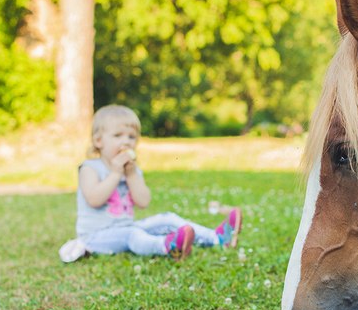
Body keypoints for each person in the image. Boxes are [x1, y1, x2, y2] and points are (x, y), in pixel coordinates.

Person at [59, 105, 242, 263]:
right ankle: (167, 246)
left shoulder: (132, 170)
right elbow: (94, 199)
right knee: (132, 236)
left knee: (166, 218)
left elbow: (143, 201)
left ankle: (217, 238)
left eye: (131, 137)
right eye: (117, 135)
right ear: (99, 141)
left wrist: (131, 175)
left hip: (125, 226)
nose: (126, 142)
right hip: (96, 237)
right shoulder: (91, 168)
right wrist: (115, 173)